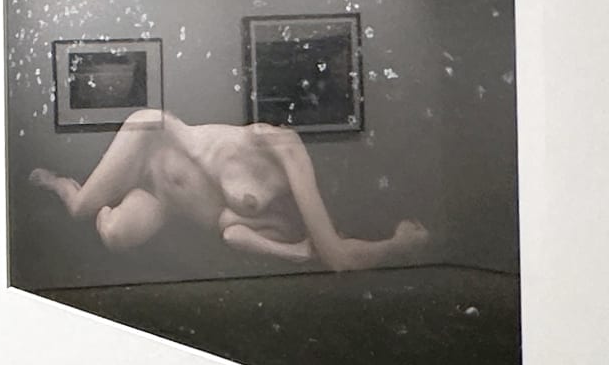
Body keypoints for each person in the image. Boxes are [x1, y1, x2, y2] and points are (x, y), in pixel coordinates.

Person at [28, 109, 428, 271]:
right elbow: (337, 256)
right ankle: (68, 186)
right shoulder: (283, 146)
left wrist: (293, 252)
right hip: (156, 138)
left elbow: (233, 233)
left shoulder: (284, 223)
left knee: (116, 236)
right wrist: (395, 246)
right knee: (80, 208)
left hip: (164, 198)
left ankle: (107, 202)